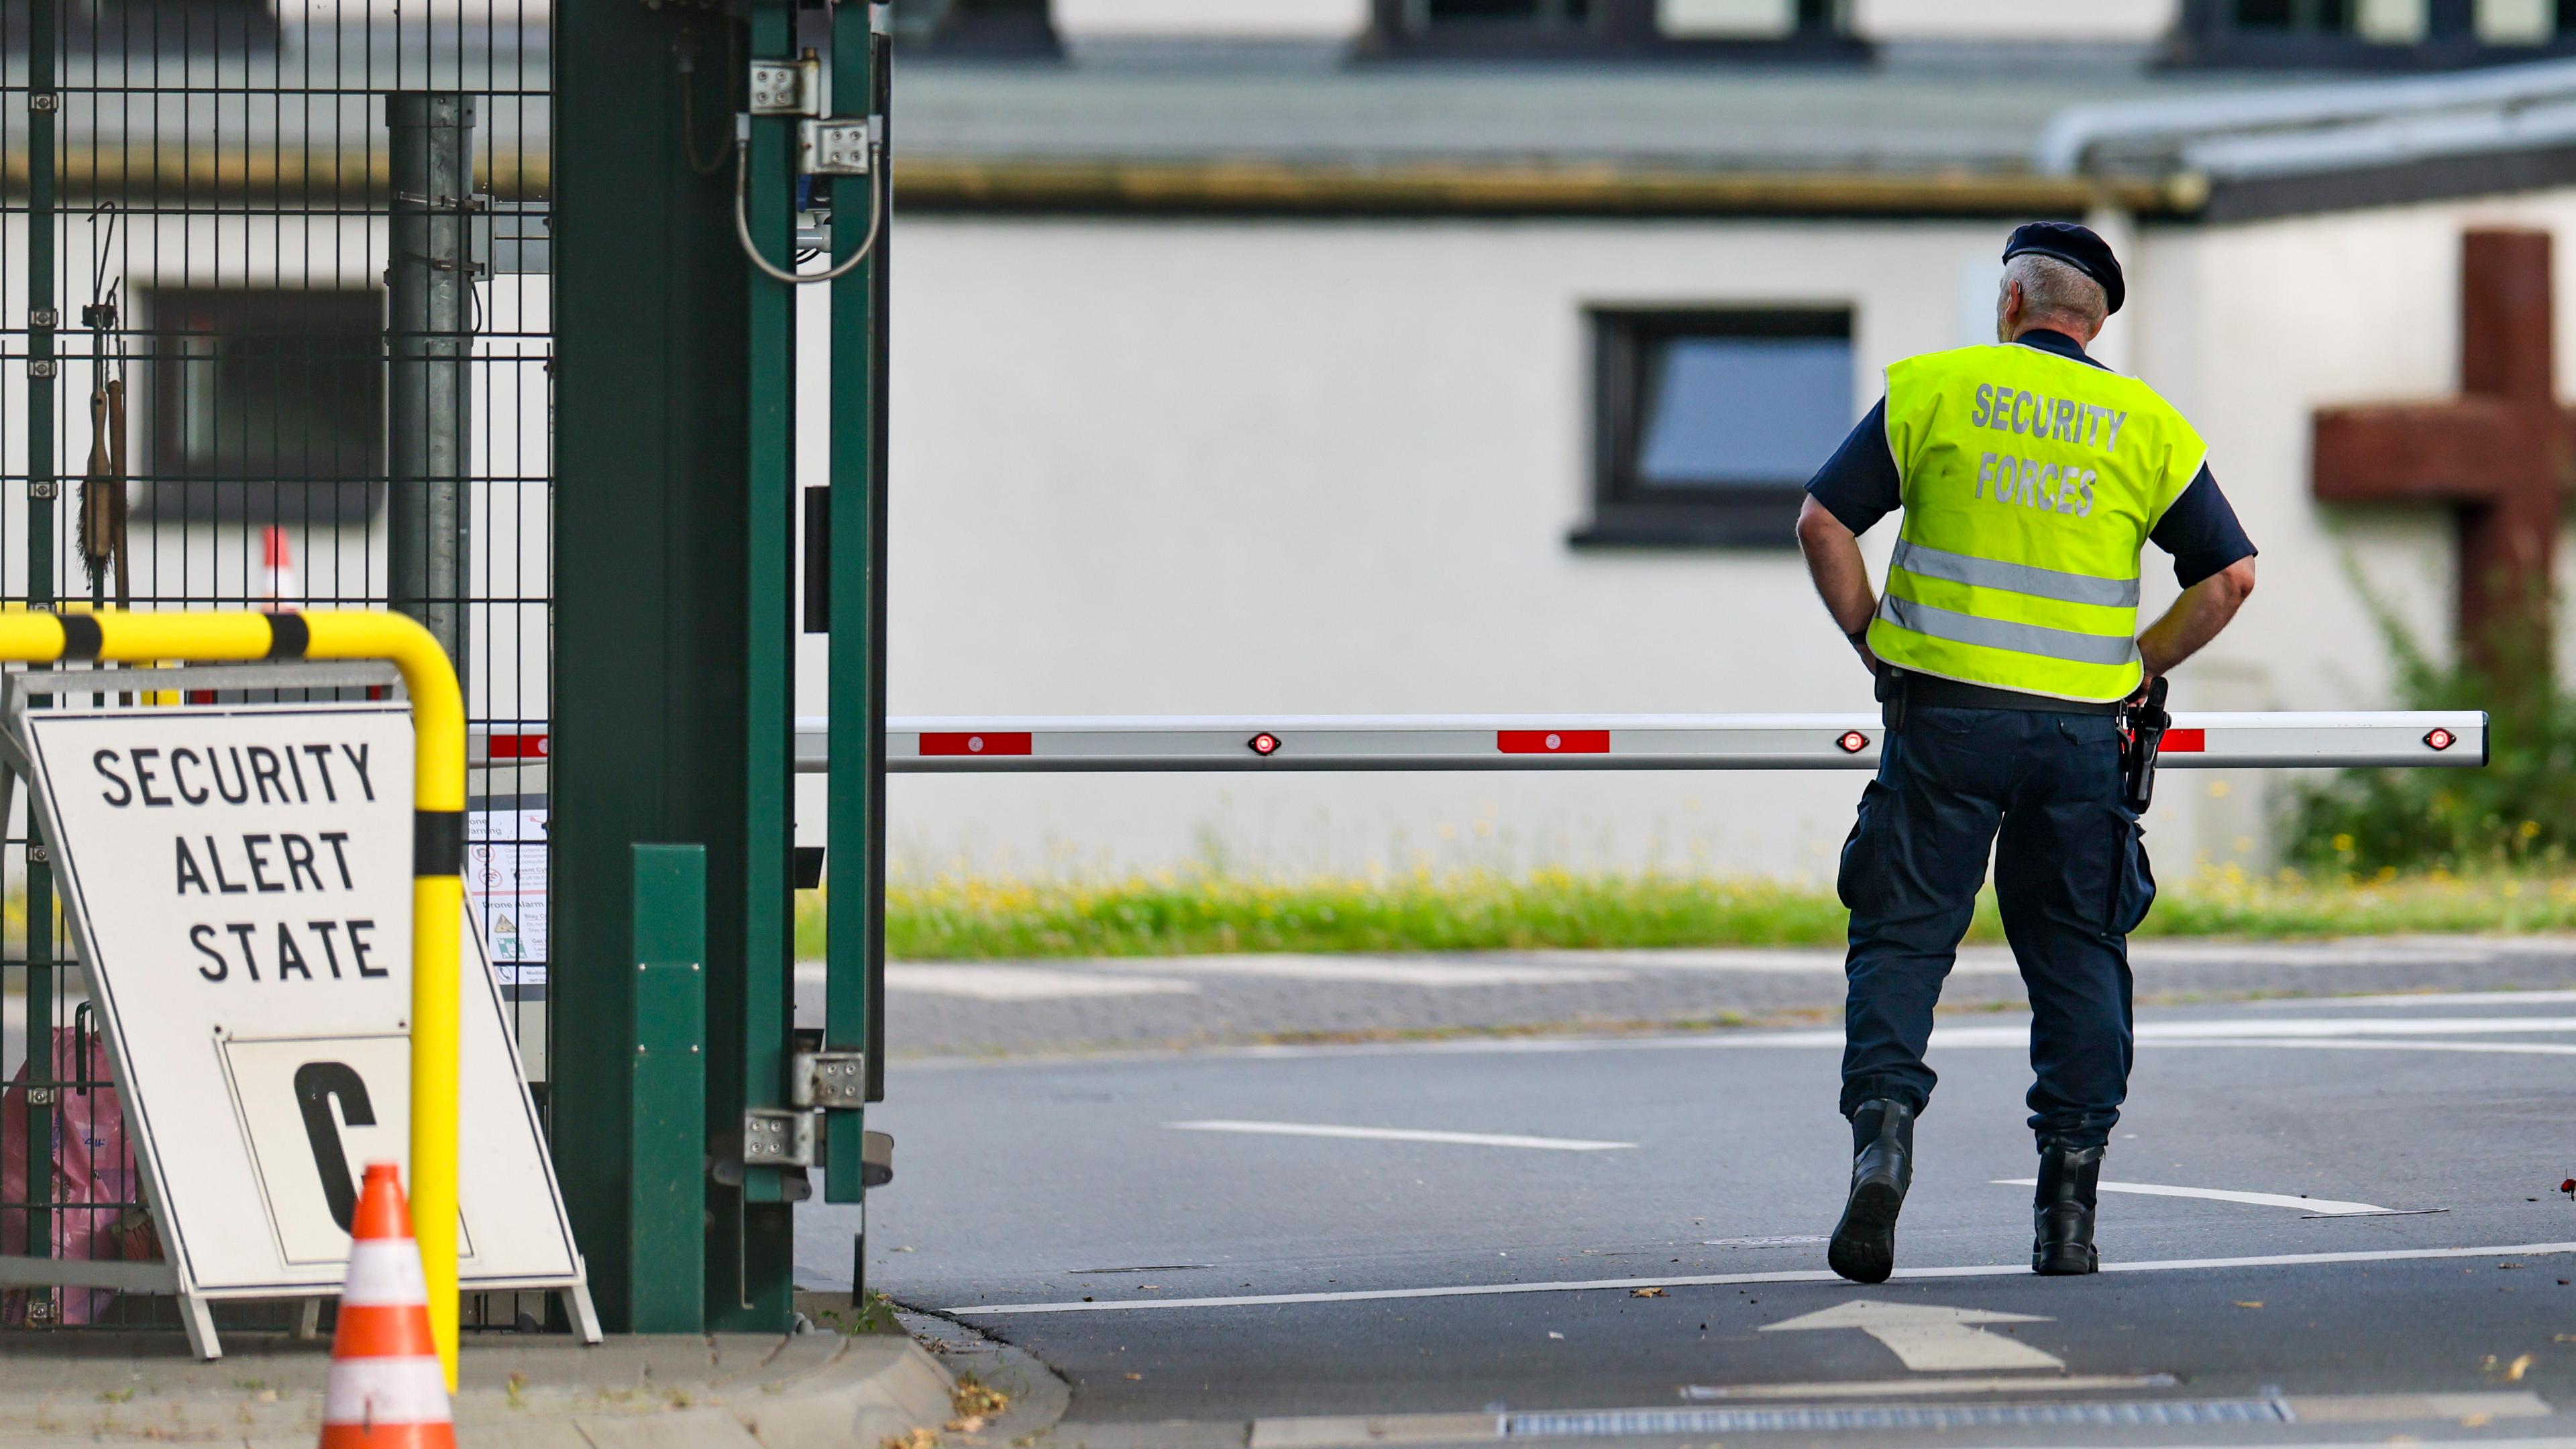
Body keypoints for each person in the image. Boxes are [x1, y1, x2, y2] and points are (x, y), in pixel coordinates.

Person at [1794, 221, 2259, 1283]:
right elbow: (2228, 577)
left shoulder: (1936, 391)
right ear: (2095, 325)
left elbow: (1824, 523)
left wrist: (1873, 638)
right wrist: (2138, 664)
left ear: (2009, 306)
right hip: (2079, 737)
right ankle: (2068, 1212)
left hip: (1944, 719)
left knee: (1904, 939)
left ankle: (1884, 1140)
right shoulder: (2147, 426)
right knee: (2078, 952)